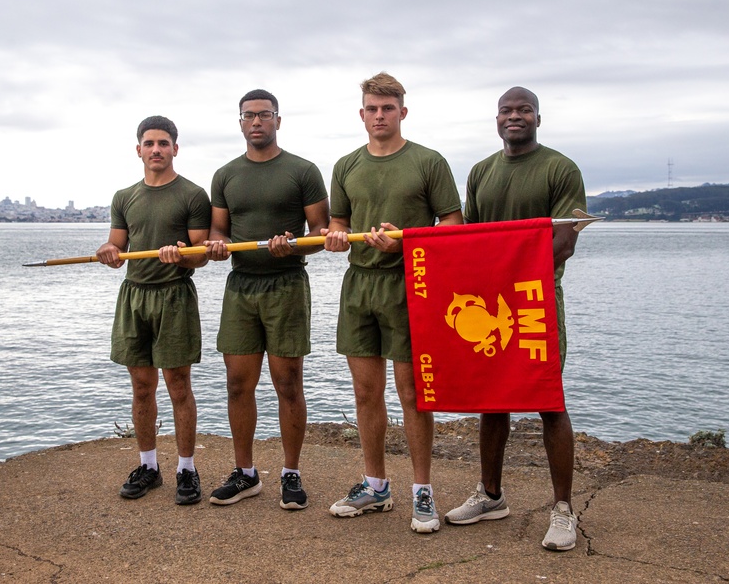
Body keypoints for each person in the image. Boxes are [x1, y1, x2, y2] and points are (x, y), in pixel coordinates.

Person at [445, 86, 586, 551]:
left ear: (538, 119)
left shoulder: (560, 169)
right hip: (490, 304)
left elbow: (563, 242)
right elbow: (470, 241)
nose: (515, 116)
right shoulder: (481, 171)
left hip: (538, 299)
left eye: (524, 109)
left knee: (549, 400)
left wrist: (510, 272)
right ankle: (490, 495)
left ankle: (563, 509)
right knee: (492, 398)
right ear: (497, 118)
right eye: (506, 110)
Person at [323, 72, 462, 533]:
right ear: (361, 114)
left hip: (411, 286)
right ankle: (376, 486)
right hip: (359, 286)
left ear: (403, 111)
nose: (379, 116)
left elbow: (453, 226)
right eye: (371, 108)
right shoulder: (345, 165)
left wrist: (404, 245)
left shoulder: (428, 161)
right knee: (366, 393)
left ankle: (422, 490)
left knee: (413, 395)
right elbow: (337, 224)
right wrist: (336, 238)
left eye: (387, 108)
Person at [204, 89, 330, 511]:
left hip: (286, 285)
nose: (256, 122)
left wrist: (295, 245)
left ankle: (291, 474)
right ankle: (246, 474)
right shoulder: (225, 175)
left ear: (278, 119)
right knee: (239, 384)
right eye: (248, 116)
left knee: (287, 383)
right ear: (240, 123)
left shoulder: (302, 170)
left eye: (264, 115)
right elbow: (218, 232)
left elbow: (320, 233)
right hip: (241, 287)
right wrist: (218, 246)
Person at [96, 115, 212, 506]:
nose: (157, 149)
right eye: (150, 143)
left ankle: (186, 468)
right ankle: (148, 466)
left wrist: (181, 256)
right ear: (139, 149)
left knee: (179, 385)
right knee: (142, 386)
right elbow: (116, 248)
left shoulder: (193, 194)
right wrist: (107, 253)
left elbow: (201, 255)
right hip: (135, 295)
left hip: (173, 294)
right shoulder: (124, 196)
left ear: (175, 148)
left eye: (164, 143)